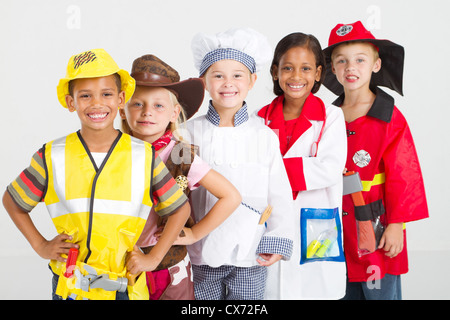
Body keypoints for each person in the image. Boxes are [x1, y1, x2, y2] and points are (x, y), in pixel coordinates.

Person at [2, 48, 190, 300]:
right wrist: (40, 245)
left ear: (121, 99)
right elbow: (13, 202)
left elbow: (180, 209)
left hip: (124, 287)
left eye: (106, 94)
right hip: (70, 288)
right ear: (71, 102)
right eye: (85, 95)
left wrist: (153, 257)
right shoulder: (51, 156)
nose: (97, 103)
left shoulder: (144, 156)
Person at [120, 54, 241, 299]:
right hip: (122, 261)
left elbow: (231, 196)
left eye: (158, 106)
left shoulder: (180, 156)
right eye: (137, 104)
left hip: (169, 267)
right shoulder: (114, 153)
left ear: (174, 113)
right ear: (123, 110)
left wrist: (195, 234)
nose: (147, 113)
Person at [322, 21, 429, 300]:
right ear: (332, 68)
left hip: (377, 227)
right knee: (338, 290)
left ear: (376, 65)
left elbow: (404, 176)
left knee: (380, 292)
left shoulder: (389, 117)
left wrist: (396, 226)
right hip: (335, 228)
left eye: (360, 59)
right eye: (342, 61)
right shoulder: (326, 118)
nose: (350, 67)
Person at [186, 27, 295, 300]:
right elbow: (177, 186)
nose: (228, 83)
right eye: (218, 75)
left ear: (252, 80)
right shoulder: (188, 133)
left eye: (237, 76)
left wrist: (277, 241)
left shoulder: (264, 135)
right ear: (204, 81)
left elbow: (279, 193)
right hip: (201, 248)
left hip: (250, 247)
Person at [257, 32, 347, 299]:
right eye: (287, 68)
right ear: (275, 72)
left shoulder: (331, 116)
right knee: (271, 290)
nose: (296, 77)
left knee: (315, 289)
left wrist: (273, 172)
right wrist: (301, 167)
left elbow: (328, 169)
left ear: (318, 73)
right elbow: (251, 173)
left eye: (306, 68)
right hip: (270, 223)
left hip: (317, 225)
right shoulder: (257, 119)